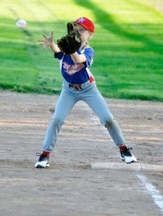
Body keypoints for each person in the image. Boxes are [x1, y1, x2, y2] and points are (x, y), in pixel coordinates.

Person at [35, 17, 137, 168]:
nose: (78, 32)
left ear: (90, 35)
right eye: (76, 29)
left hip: (88, 89)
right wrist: (52, 45)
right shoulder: (66, 46)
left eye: (82, 30)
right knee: (56, 119)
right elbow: (59, 53)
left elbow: (79, 60)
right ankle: (45, 154)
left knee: (108, 119)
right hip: (68, 90)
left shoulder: (88, 51)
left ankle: (124, 150)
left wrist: (71, 49)